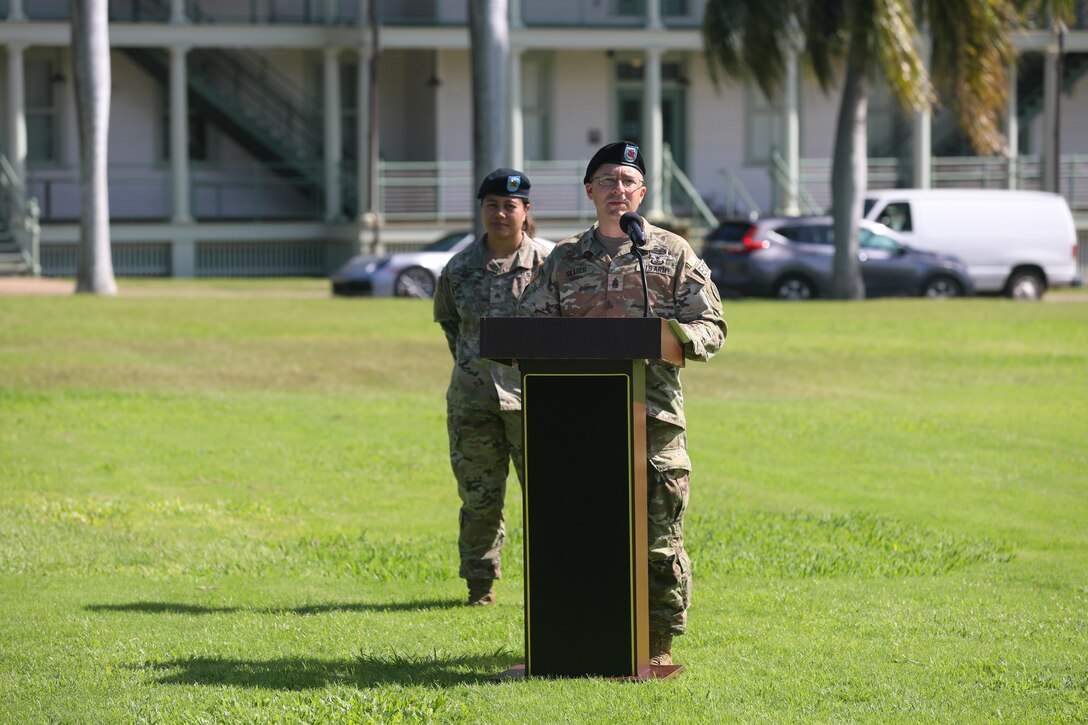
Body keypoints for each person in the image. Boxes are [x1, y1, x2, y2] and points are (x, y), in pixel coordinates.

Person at [516, 142, 726, 665]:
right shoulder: (565, 259)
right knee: (579, 534)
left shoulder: (671, 253)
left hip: (651, 420)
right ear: (590, 191)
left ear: (643, 192)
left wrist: (672, 341)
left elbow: (712, 326)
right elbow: (529, 330)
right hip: (577, 423)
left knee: (659, 538)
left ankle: (657, 644)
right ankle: (577, 639)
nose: (618, 190)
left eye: (628, 181)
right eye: (607, 181)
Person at [433, 168, 552, 607]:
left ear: (526, 212)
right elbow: (451, 324)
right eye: (492, 205)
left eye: (509, 206)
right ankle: (480, 586)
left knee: (548, 498)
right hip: (473, 405)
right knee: (479, 500)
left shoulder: (550, 263)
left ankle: (556, 580)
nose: (500, 214)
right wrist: (474, 369)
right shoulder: (459, 268)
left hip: (535, 402)